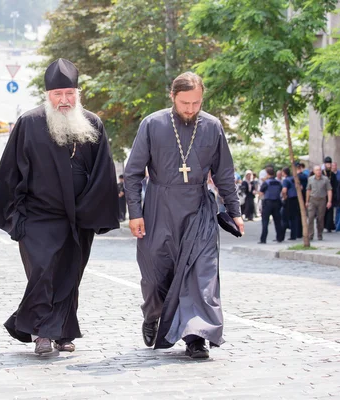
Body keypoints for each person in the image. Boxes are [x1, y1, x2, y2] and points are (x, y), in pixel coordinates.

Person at [0, 58, 119, 356]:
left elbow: (103, 172)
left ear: (78, 93)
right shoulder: (30, 123)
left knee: (70, 275)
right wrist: (15, 219)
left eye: (69, 94)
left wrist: (91, 213)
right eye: (57, 95)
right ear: (47, 96)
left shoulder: (92, 124)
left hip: (78, 217)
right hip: (37, 218)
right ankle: (42, 334)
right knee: (43, 273)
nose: (64, 100)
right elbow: (9, 174)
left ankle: (62, 333)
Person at [123, 71, 244, 359]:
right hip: (158, 207)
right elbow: (133, 172)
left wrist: (235, 210)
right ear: (172, 97)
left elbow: (224, 173)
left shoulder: (213, 127)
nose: (190, 109)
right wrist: (135, 213)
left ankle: (196, 336)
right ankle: (154, 315)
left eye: (196, 103)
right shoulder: (152, 124)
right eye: (184, 103)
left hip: (199, 210)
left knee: (201, 276)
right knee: (154, 276)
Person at [306, 165, 332, 240]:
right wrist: (307, 201)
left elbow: (329, 190)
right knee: (310, 217)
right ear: (314, 171)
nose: (319, 171)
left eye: (320, 170)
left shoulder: (325, 179)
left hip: (322, 200)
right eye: (317, 170)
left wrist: (329, 201)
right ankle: (310, 234)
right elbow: (308, 190)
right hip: (312, 199)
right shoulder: (310, 179)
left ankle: (319, 234)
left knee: (320, 218)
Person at [258, 166, 284, 243]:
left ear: (267, 174)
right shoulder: (278, 182)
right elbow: (281, 191)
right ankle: (279, 238)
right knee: (277, 221)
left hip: (268, 203)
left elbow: (261, 193)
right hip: (277, 203)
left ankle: (263, 239)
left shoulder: (266, 182)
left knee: (265, 221)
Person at [281, 167, 301, 240]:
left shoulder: (286, 180)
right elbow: (300, 187)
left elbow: (284, 190)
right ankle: (294, 235)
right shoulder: (294, 179)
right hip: (296, 199)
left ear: (284, 172)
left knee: (285, 218)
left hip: (289, 199)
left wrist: (284, 197)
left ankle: (281, 236)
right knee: (294, 218)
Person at [322, 157, 339, 232]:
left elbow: (335, 185)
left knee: (330, 210)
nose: (329, 165)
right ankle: (323, 225)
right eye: (327, 164)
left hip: (331, 194)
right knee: (322, 210)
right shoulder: (322, 173)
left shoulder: (333, 175)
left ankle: (329, 226)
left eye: (330, 164)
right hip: (322, 194)